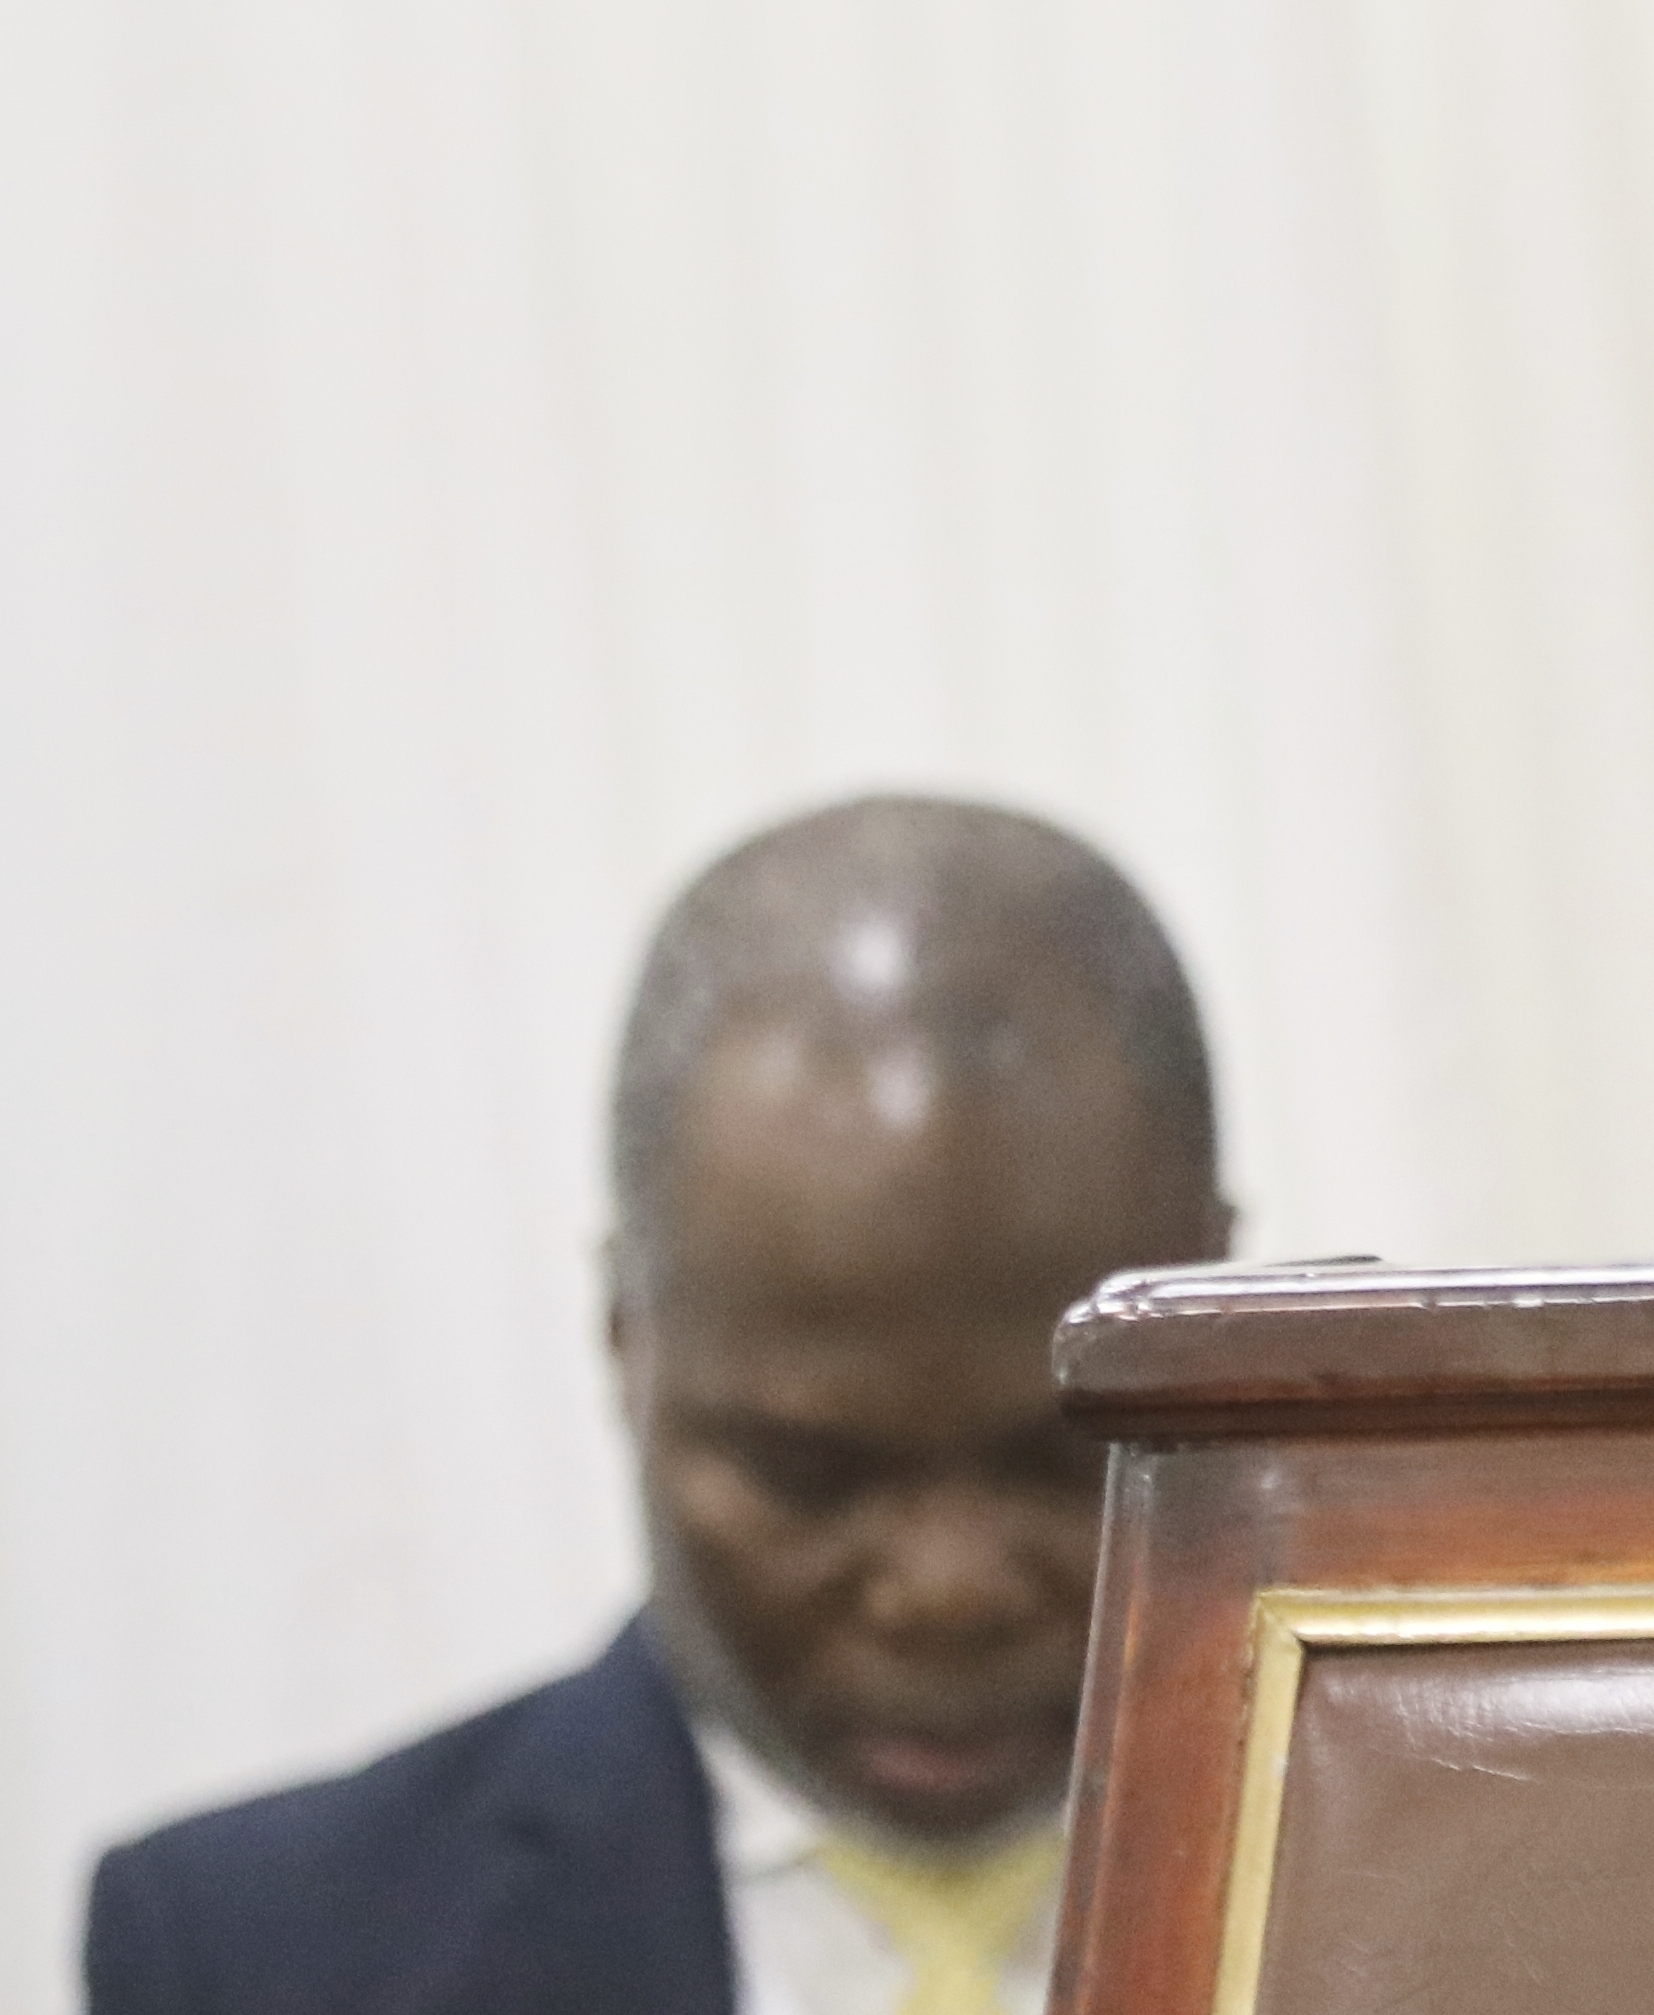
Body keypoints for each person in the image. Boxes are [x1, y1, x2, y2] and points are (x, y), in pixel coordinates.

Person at [87, 797, 1231, 2015]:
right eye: (808, 1475)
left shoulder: (1443, 1872)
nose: (944, 1592)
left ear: (1232, 1322)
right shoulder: (261, 1959)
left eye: (1068, 1455)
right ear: (627, 1337)